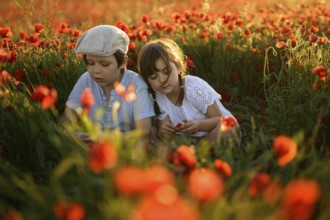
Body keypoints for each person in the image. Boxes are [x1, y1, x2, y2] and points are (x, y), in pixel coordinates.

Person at [137, 38, 240, 144]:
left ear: (178, 67)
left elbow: (219, 119)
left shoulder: (194, 87)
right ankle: (197, 154)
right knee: (152, 134)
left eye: (166, 72)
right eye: (154, 77)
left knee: (228, 127)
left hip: (214, 133)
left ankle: (201, 154)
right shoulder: (158, 97)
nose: (162, 79)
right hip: (187, 139)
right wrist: (164, 130)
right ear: (147, 80)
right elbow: (163, 126)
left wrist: (199, 125)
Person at [63, 25, 155, 142]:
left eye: (104, 64)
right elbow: (67, 119)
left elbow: (143, 131)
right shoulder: (86, 80)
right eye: (91, 63)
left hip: (127, 147)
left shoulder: (136, 85)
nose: (96, 70)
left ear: (123, 62)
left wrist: (103, 138)